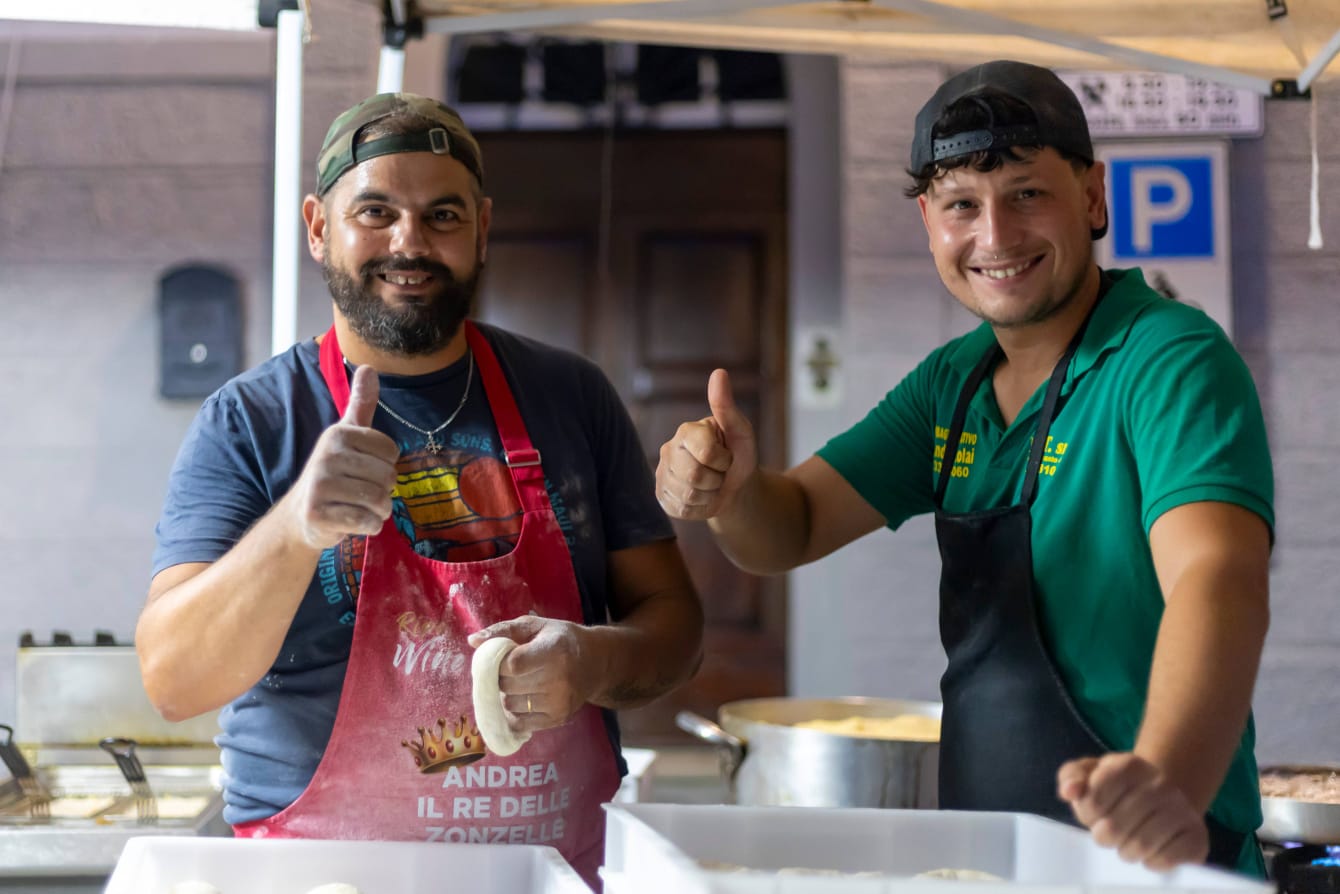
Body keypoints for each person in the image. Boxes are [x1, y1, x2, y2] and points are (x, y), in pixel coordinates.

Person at [655, 60, 1271, 876]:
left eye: (1027, 194)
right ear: (927, 221)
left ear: (1092, 196)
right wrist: (731, 495)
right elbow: (790, 525)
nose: (996, 237)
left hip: (1158, 853)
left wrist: (1167, 779)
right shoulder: (954, 384)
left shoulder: (1167, 359)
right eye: (962, 206)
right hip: (989, 861)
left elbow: (1218, 576)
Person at [139, 93, 704, 887]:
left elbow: (675, 626)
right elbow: (174, 679)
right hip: (320, 877)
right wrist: (298, 525)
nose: (410, 243)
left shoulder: (570, 396)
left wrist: (594, 659)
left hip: (544, 874)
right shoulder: (253, 421)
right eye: (376, 211)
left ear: (482, 227)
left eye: (442, 215)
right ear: (317, 227)